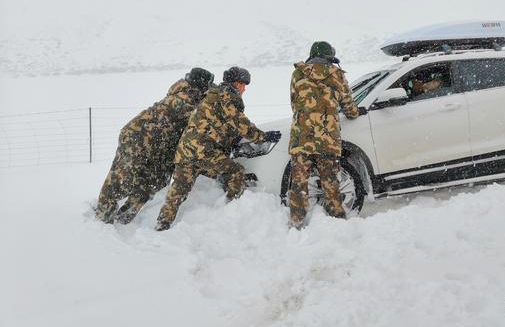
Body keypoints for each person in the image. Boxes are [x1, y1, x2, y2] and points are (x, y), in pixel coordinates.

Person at [155, 66, 281, 231]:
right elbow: (241, 124)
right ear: (235, 84)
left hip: (185, 151)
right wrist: (264, 137)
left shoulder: (212, 96)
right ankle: (230, 213)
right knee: (236, 172)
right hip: (204, 152)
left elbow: (218, 125)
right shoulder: (227, 97)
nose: (244, 89)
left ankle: (162, 224)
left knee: (178, 191)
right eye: (243, 85)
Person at [95, 67, 213, 224]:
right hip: (136, 141)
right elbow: (199, 123)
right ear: (201, 86)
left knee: (151, 184)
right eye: (208, 86)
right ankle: (102, 218)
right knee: (120, 181)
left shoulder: (189, 97)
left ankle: (124, 219)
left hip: (157, 148)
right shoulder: (184, 100)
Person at [288, 41, 359, 229]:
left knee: (299, 182)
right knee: (330, 181)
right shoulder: (337, 75)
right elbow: (349, 108)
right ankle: (337, 220)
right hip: (327, 139)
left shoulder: (298, 74)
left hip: (302, 137)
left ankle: (296, 222)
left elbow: (294, 104)